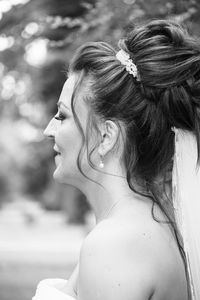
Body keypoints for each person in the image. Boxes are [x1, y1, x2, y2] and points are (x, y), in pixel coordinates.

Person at [32, 19, 200, 300]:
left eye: (62, 115)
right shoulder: (150, 226)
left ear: (106, 137)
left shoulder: (115, 245)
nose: (48, 130)